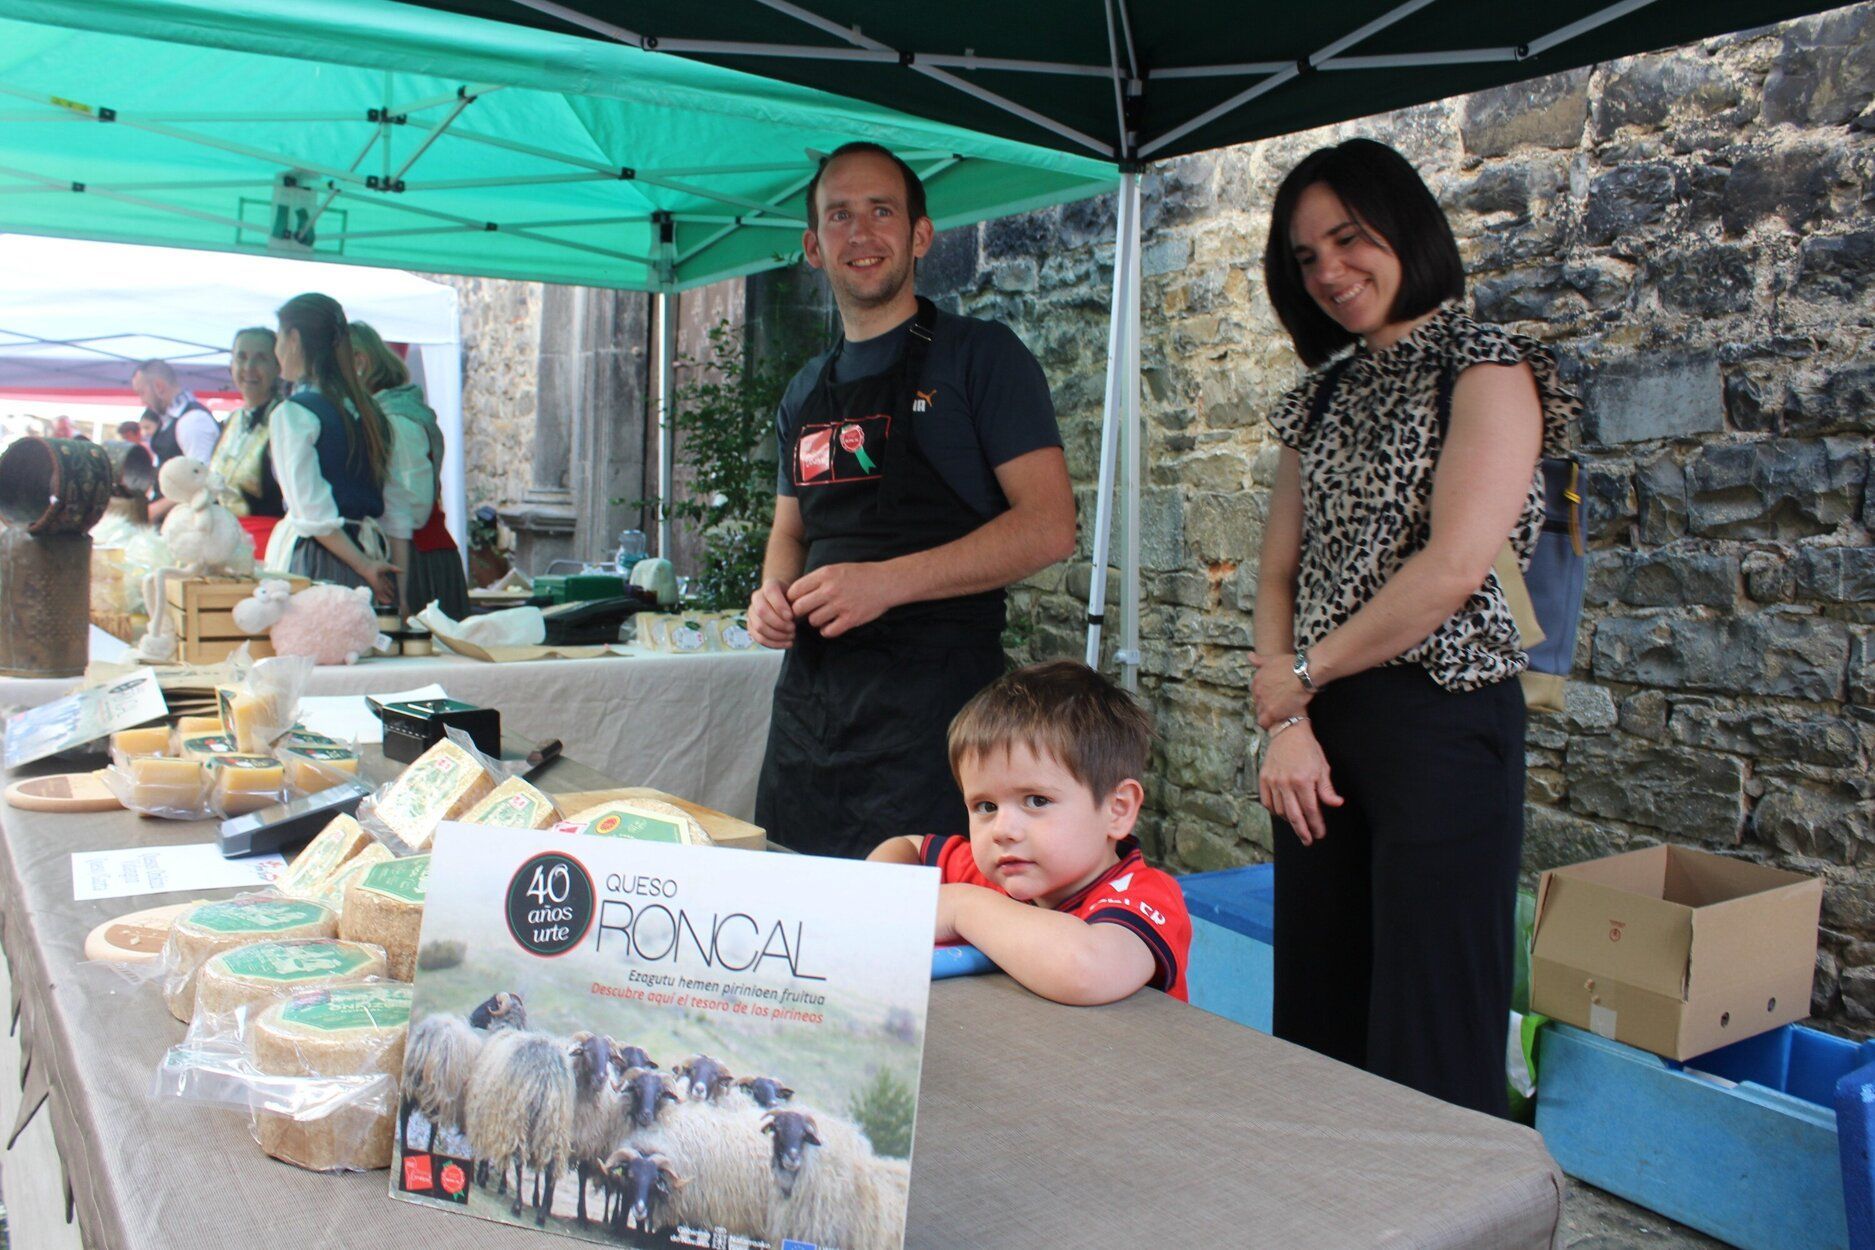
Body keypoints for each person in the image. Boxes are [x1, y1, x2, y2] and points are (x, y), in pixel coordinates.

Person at [1251, 138, 1579, 1117]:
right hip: (1314, 733)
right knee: (1319, 996)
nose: (1329, 272)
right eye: (1306, 256)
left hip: (1443, 721)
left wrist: (1300, 674)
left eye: (1349, 239)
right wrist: (1287, 718)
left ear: (1406, 228)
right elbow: (1277, 571)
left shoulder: (1487, 365)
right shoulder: (1322, 396)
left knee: (1432, 1011)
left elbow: (1450, 568)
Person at [749, 142, 1076, 860]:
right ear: (812, 246)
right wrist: (770, 592)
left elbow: (1050, 528)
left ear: (920, 235)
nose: (860, 234)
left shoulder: (980, 357)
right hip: (811, 712)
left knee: (920, 945)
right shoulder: (805, 388)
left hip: (937, 716)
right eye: (839, 216)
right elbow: (790, 530)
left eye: (881, 212)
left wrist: (888, 583)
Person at [867, 661, 1189, 1005]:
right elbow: (908, 847)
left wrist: (960, 908)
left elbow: (1089, 970)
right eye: (986, 807)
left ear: (1117, 809)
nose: (1003, 831)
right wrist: (878, 889)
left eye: (1036, 801)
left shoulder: (1146, 895)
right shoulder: (997, 871)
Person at [263, 292, 399, 603]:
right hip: (365, 548)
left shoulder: (295, 414)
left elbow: (311, 513)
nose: (277, 350)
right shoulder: (366, 410)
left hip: (322, 561)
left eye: (278, 338)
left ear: (294, 339)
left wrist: (365, 566)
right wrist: (367, 563)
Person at [349, 321, 469, 618]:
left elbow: (412, 506)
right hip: (407, 556)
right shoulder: (385, 414)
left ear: (360, 363)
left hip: (418, 562)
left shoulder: (396, 420)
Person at [208, 326, 287, 559]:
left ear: (278, 366)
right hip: (224, 544)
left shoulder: (285, 420)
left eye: (261, 359)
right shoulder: (231, 421)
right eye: (241, 358)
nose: (249, 368)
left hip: (269, 546)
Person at [133, 358, 217, 464]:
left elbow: (200, 476)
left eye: (142, 392)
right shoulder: (171, 419)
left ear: (159, 387)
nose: (142, 401)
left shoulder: (193, 420)